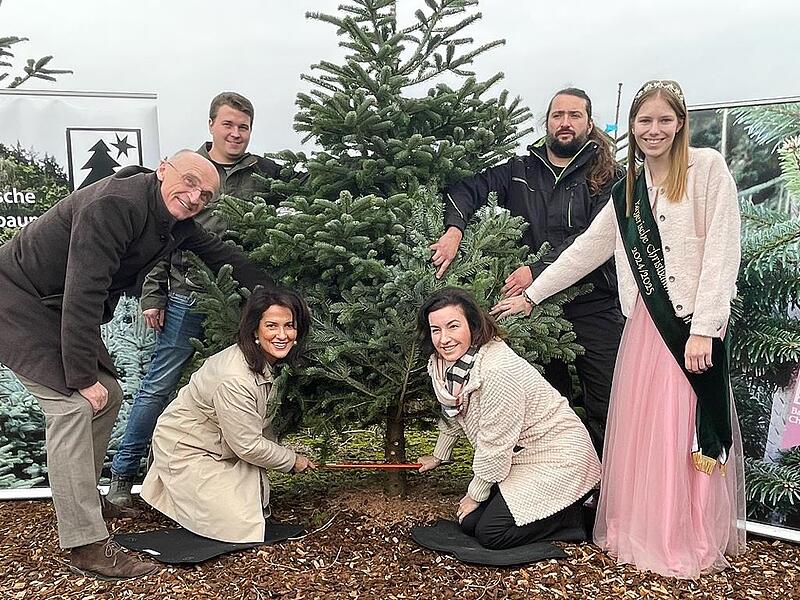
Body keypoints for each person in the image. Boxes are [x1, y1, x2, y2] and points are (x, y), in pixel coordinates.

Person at [492, 80, 746, 577]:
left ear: (680, 123)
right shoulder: (628, 189)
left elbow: (722, 251)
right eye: (644, 121)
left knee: (681, 432)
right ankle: (644, 529)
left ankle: (683, 535)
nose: (654, 130)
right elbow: (587, 250)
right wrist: (532, 295)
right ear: (632, 126)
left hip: (688, 327)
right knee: (647, 432)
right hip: (645, 329)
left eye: (664, 120)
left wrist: (705, 329)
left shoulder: (707, 169)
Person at [0, 149, 273, 580]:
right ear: (163, 169)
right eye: (189, 182)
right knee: (72, 407)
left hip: (55, 306)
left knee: (108, 396)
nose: (195, 197)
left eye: (206, 195)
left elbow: (221, 254)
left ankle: (83, 501)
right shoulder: (114, 205)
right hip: (17, 300)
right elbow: (84, 290)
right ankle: (86, 544)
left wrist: (275, 298)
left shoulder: (171, 218)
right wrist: (82, 377)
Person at [108, 92, 295, 505]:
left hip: (246, 300)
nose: (236, 133)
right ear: (211, 125)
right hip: (188, 296)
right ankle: (123, 474)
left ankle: (240, 479)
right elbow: (161, 236)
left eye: (244, 127)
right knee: (159, 385)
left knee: (247, 383)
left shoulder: (266, 174)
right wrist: (153, 295)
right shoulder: (189, 170)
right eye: (228, 124)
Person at [429, 88, 623, 456]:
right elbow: (468, 189)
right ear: (547, 122)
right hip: (534, 312)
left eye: (575, 115)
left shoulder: (609, 177)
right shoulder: (520, 171)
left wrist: (536, 270)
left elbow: (593, 240)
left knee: (609, 402)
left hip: (594, 305)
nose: (565, 123)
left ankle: (610, 482)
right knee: (543, 405)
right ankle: (555, 481)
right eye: (557, 115)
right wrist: (454, 230)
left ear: (589, 124)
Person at [415, 288, 600, 550]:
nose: (444, 339)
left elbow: (495, 445)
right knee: (469, 523)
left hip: (559, 456)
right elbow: (454, 411)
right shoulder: (446, 366)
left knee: (491, 534)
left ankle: (576, 516)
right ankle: (551, 511)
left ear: (473, 325)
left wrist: (475, 494)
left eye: (453, 326)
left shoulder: (497, 371)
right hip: (521, 456)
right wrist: (439, 455)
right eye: (436, 330)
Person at [141, 287, 317, 543]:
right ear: (254, 330)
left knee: (252, 504)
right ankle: (176, 492)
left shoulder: (266, 362)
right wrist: (293, 461)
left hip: (223, 447)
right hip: (189, 450)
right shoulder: (235, 378)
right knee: (237, 526)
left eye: (289, 326)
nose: (282, 335)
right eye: (271, 326)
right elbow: (248, 445)